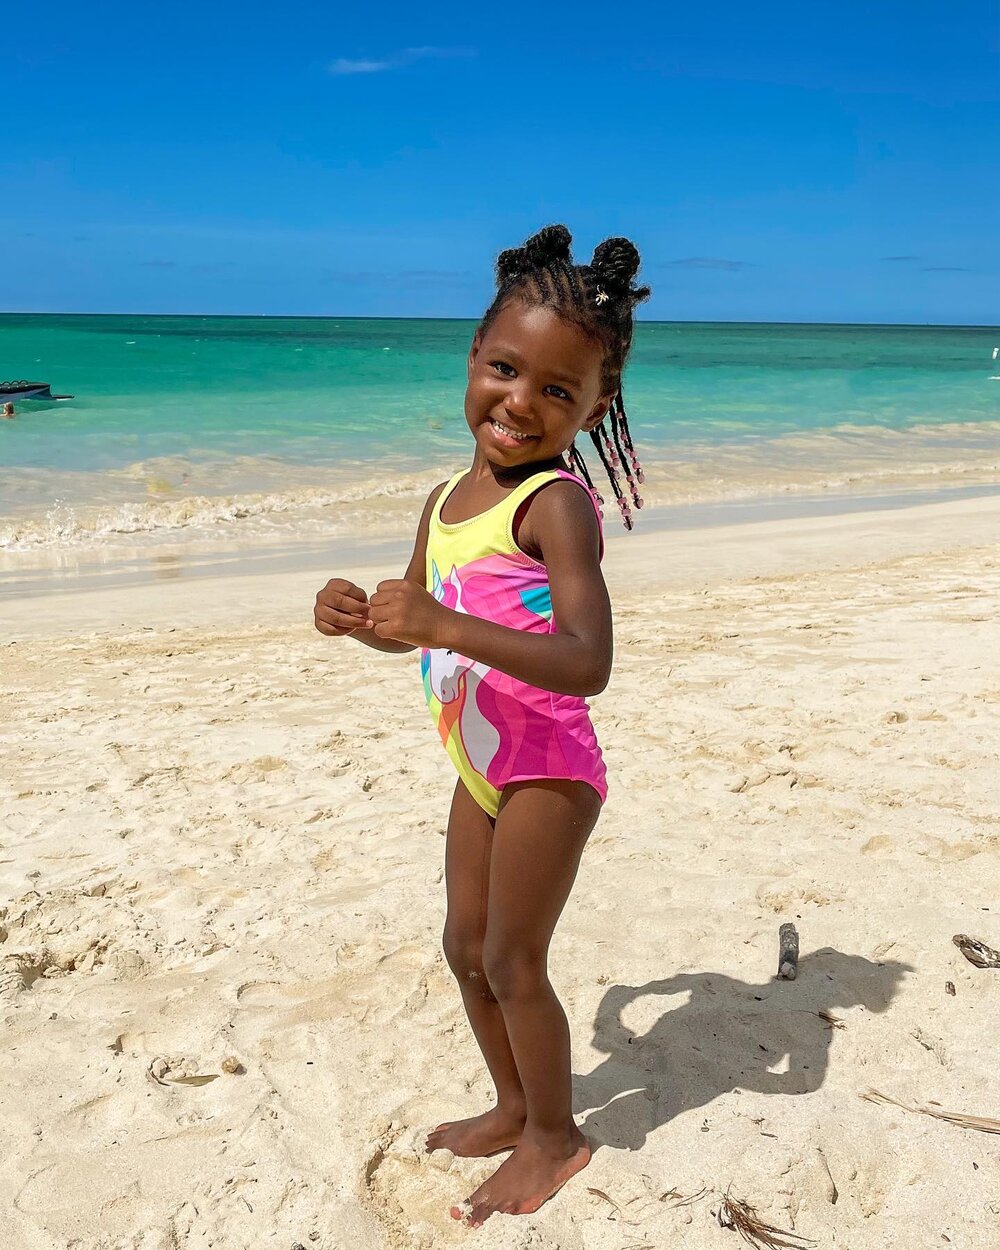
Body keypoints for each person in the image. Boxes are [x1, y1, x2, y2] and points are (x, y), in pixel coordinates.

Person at [314, 224, 649, 1228]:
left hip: (546, 764)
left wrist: (445, 620)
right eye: (505, 368)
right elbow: (414, 622)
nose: (521, 401)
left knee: (513, 958)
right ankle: (512, 1102)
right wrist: (359, 618)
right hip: (481, 764)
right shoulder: (444, 499)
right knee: (464, 944)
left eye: (558, 390)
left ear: (596, 407)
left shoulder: (557, 504)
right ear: (470, 360)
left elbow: (587, 661)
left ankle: (556, 1133)